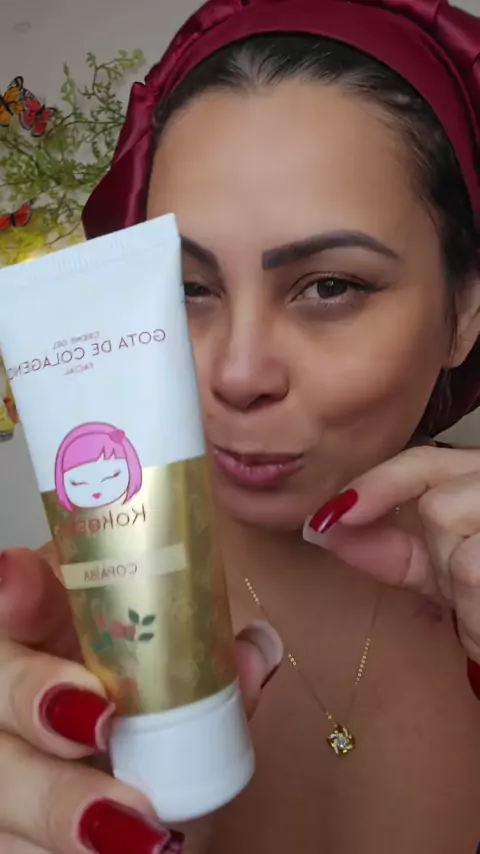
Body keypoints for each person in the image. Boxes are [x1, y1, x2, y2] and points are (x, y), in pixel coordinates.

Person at [1, 0, 480, 852]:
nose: (236, 373)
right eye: (188, 288)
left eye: (330, 286)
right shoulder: (49, 640)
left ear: (465, 314)